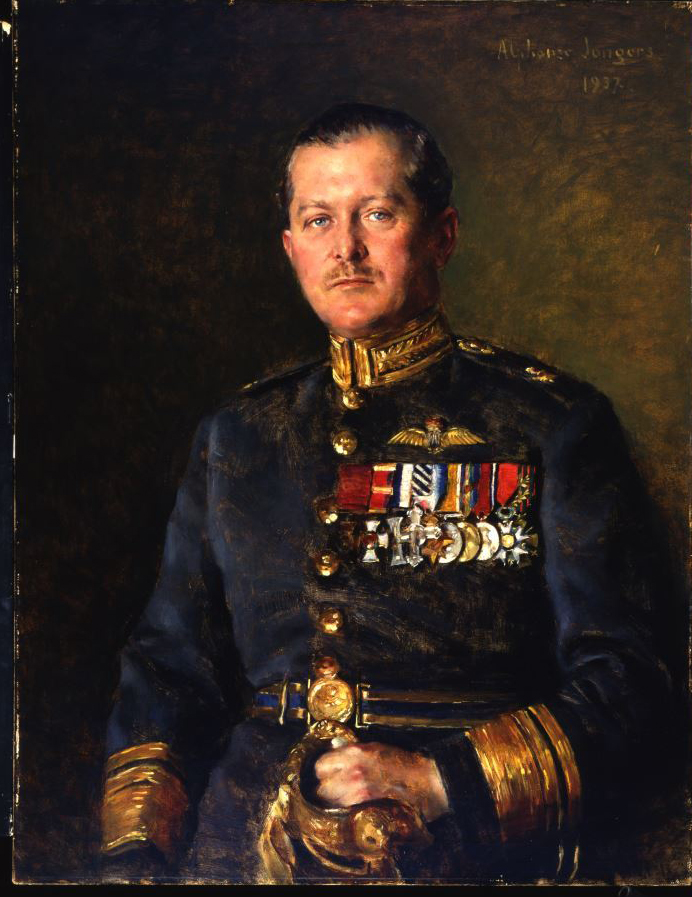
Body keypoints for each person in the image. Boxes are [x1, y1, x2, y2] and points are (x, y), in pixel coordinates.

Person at [100, 103, 673, 883]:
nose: (346, 248)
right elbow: (169, 668)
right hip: (247, 846)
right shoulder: (238, 432)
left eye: (377, 213)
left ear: (443, 234)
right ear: (290, 246)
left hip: (470, 848)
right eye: (318, 220)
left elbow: (631, 683)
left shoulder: (553, 422)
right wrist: (138, 856)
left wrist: (439, 781)